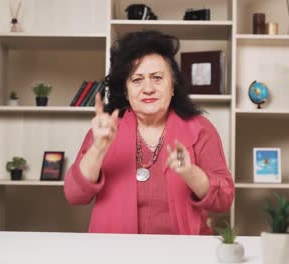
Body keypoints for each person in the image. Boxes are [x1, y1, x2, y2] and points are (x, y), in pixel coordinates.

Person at [64, 30, 234, 235]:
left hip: (183, 252)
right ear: (126, 91)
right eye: (137, 80)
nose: (148, 88)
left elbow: (224, 199)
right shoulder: (106, 129)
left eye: (157, 78)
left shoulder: (200, 129)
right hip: (115, 252)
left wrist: (191, 173)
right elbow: (74, 195)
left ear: (173, 87)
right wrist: (98, 149)